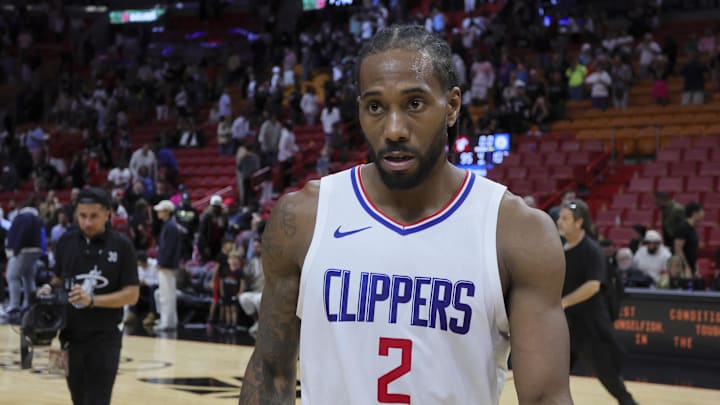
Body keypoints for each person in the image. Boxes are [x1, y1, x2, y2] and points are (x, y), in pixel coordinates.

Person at [240, 25, 572, 405]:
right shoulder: (302, 219)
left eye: (414, 103)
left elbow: (546, 397)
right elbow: (270, 374)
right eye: (376, 107)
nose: (394, 130)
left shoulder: (516, 233)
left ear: (452, 106)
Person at [37, 187, 139, 405]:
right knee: (78, 399)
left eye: (94, 216)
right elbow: (58, 278)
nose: (88, 222)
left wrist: (93, 301)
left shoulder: (122, 246)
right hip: (69, 338)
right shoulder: (66, 241)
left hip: (104, 339)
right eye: (82, 216)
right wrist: (47, 288)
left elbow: (132, 295)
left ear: (107, 214)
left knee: (97, 401)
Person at [556, 199, 639, 405]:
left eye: (565, 218)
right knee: (554, 378)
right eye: (560, 217)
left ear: (579, 222)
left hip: (590, 328)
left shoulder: (591, 249)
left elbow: (593, 285)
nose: (559, 221)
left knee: (610, 379)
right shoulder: (560, 248)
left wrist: (564, 302)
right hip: (568, 327)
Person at [153, 199, 181, 331]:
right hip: (168, 265)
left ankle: (166, 323)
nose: (158, 212)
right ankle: (171, 321)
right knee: (168, 294)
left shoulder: (170, 226)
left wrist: (162, 262)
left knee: (166, 295)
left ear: (167, 212)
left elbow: (168, 248)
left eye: (160, 210)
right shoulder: (169, 225)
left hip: (167, 266)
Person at [238, 238, 264, 338]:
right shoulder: (252, 261)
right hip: (255, 291)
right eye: (254, 247)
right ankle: (258, 322)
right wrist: (242, 262)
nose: (255, 249)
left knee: (259, 300)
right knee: (243, 298)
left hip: (267, 292)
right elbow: (246, 276)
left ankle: (261, 325)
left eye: (257, 246)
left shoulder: (269, 260)